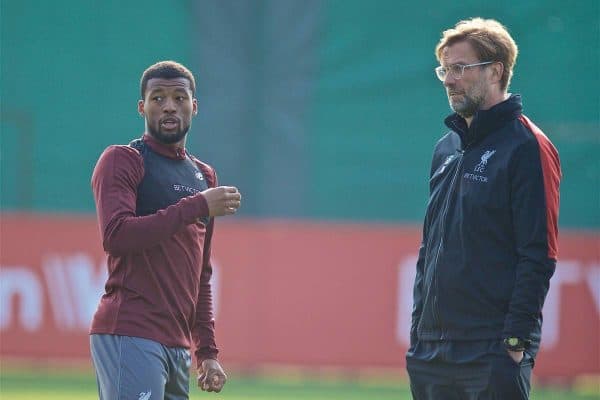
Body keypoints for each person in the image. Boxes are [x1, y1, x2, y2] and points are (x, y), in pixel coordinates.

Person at [406, 18, 561, 400]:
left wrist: (514, 338)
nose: (448, 79)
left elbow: (538, 254)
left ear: (496, 71)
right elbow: (429, 248)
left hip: (490, 348)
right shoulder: (446, 147)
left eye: (460, 68)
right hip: (430, 351)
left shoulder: (527, 145)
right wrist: (418, 330)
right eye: (445, 68)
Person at [90, 60, 241, 399]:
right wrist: (198, 205)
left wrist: (207, 352)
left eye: (179, 97)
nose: (169, 105)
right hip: (130, 330)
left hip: (177, 346)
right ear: (142, 107)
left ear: (194, 106)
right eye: (158, 98)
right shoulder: (124, 160)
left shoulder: (203, 175)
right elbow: (116, 236)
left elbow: (200, 273)